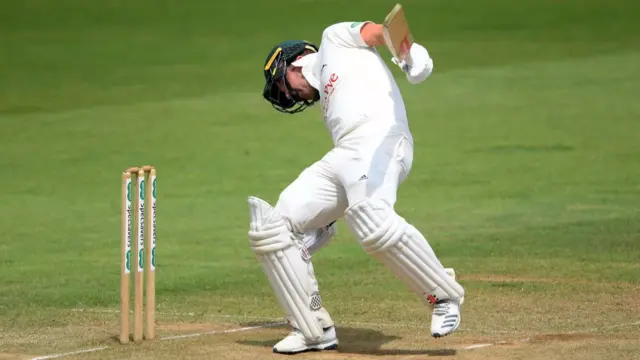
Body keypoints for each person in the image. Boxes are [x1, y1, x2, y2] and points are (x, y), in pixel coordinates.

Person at [248, 20, 465, 355]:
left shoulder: (332, 40)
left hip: (383, 139)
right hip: (346, 155)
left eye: (283, 85)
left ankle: (444, 295)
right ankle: (313, 329)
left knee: (369, 218)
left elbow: (381, 30)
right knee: (274, 226)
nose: (289, 95)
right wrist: (320, 221)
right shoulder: (327, 99)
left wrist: (410, 54)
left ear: (292, 63)